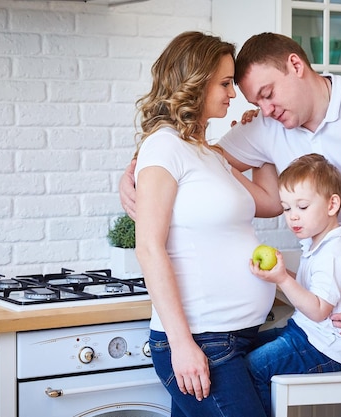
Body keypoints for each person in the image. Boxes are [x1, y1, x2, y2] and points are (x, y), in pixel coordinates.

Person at [121, 32, 341, 417]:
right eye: (254, 99)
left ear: (295, 65)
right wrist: (132, 173)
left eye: (268, 93)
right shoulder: (262, 127)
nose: (264, 108)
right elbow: (185, 160)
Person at [133, 31, 282, 417]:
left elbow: (269, 202)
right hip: (202, 341)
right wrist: (182, 344)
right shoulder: (163, 146)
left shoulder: (208, 153)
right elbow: (149, 247)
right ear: (194, 81)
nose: (234, 94)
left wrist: (261, 135)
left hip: (235, 337)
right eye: (225, 82)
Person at [247, 153, 341, 416]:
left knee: (254, 367)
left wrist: (281, 279)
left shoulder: (334, 253)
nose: (292, 217)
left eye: (302, 207)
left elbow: (318, 310)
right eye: (287, 208)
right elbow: (308, 291)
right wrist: (280, 275)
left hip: (325, 348)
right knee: (243, 345)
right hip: (305, 334)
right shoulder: (318, 244)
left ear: (332, 204)